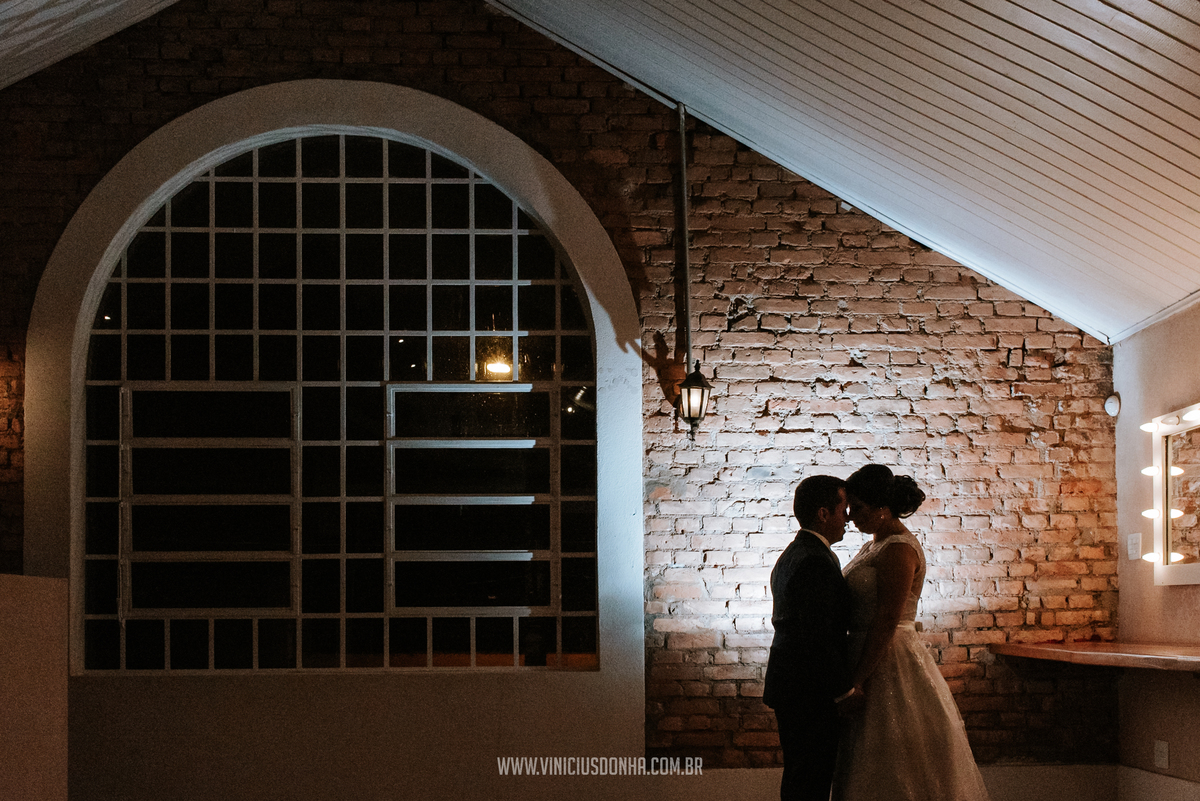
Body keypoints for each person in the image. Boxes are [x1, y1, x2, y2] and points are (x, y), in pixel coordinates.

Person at [832, 464, 990, 801]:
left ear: (881, 507)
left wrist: (858, 680)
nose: (850, 516)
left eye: (857, 507)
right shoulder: (874, 544)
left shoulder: (898, 549)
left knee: (895, 752)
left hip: (889, 655)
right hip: (864, 647)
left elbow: (887, 618)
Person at [764, 475, 859, 801]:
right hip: (809, 689)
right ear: (823, 513)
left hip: (792, 684)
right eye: (843, 510)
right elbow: (818, 634)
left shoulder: (795, 553)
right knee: (810, 781)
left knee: (800, 777)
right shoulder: (815, 560)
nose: (847, 519)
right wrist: (843, 690)